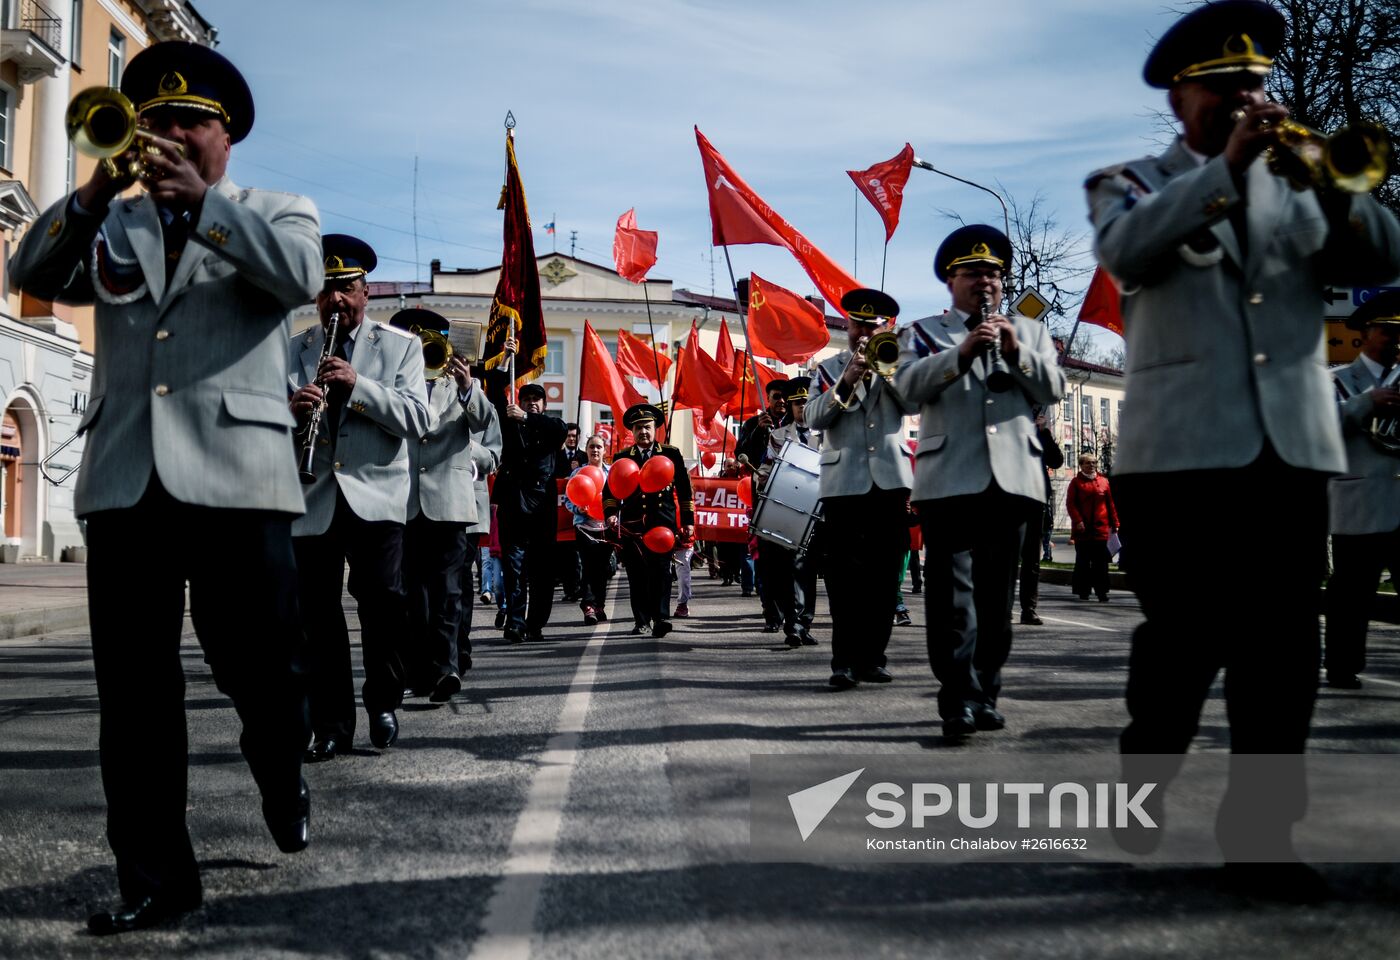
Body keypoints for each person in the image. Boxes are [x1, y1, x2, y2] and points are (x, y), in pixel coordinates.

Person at [1086, 0, 1400, 896]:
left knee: (1280, 652)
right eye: (1224, 88)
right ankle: (1145, 775)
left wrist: (1344, 186)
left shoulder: (1304, 183)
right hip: (1178, 458)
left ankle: (1261, 837)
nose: (1244, 100)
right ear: (1183, 96)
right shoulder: (1133, 182)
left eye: (1255, 86)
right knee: (1183, 640)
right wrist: (1225, 169)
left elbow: (1382, 255)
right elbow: (1130, 255)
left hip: (1289, 453)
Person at [8, 41, 321, 933]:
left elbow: (298, 278)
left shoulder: (275, 212)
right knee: (135, 694)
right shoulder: (113, 222)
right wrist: (97, 191)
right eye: (157, 121)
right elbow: (29, 274)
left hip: (239, 481)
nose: (173, 135)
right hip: (127, 481)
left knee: (262, 667)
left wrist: (208, 209)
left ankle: (280, 765)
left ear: (227, 138)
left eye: (192, 121)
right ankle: (154, 880)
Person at [894, 226, 1065, 735]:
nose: (985, 282)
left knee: (996, 600)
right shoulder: (922, 334)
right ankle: (957, 698)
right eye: (973, 273)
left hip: (1012, 481)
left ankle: (987, 690)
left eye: (993, 273)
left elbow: (1053, 389)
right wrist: (963, 352)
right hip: (949, 481)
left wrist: (1017, 352)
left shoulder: (1030, 331)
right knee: (951, 600)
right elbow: (905, 389)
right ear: (951, 280)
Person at [289, 236, 431, 761]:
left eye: (345, 289)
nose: (336, 301)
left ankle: (384, 701)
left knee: (385, 606)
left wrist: (358, 386)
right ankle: (331, 724)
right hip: (312, 497)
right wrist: (290, 411)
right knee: (316, 618)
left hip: (376, 498)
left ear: (366, 292)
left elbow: (420, 419)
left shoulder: (402, 348)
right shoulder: (294, 347)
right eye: (326, 292)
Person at [807, 289, 916, 689]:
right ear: (847, 327)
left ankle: (874, 657)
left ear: (885, 328)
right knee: (844, 579)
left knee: (886, 577)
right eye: (858, 326)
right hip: (843, 486)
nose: (863, 334)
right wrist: (845, 381)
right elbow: (814, 418)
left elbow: (912, 402)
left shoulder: (898, 364)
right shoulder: (827, 368)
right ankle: (844, 662)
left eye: (872, 327)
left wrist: (885, 370)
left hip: (889, 483)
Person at [396, 308, 499, 703]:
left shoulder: (458, 386)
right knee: (411, 597)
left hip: (451, 503)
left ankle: (446, 668)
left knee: (448, 593)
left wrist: (469, 387)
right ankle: (418, 673)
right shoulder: (395, 383)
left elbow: (485, 426)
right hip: (404, 502)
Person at [1324, 291, 1400, 688]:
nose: (1395, 340)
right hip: (1360, 501)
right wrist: (1366, 403)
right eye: (1388, 331)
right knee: (1352, 593)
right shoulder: (1336, 380)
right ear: (1366, 333)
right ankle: (1342, 665)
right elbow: (1320, 430)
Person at [604, 404, 694, 636]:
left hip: (663, 525)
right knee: (637, 575)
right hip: (634, 527)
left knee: (662, 573)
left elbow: (685, 490)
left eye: (647, 427)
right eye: (638, 428)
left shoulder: (671, 454)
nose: (643, 431)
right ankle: (641, 621)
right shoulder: (622, 457)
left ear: (655, 429)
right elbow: (609, 491)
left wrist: (688, 520)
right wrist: (611, 514)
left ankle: (661, 617)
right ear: (632, 432)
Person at [492, 368, 567, 643]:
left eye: (537, 399)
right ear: (518, 401)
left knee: (542, 574)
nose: (532, 402)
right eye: (526, 399)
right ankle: (515, 623)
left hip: (541, 512)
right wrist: (503, 368)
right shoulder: (508, 425)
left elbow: (558, 431)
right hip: (513, 509)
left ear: (544, 405)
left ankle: (535, 623)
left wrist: (526, 418)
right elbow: (494, 402)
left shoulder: (552, 427)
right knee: (513, 570)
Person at [759, 376, 821, 646]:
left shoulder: (827, 437)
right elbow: (764, 469)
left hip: (820, 514)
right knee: (791, 567)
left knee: (810, 569)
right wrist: (759, 478)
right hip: (790, 511)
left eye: (805, 403)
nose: (800, 409)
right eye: (796, 404)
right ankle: (793, 624)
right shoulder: (778, 436)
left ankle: (804, 622)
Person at [458, 398, 503, 673]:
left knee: (459, 582)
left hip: (466, 508)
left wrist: (462, 445)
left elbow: (493, 458)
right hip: (420, 506)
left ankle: (459, 648)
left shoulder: (482, 404)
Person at [1019, 413, 1065, 624]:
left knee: (1032, 559)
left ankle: (1029, 608)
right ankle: (999, 605)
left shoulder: (1040, 435)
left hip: (1035, 498)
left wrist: (1044, 432)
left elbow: (1056, 461)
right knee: (1005, 555)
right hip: (1006, 497)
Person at [567, 434, 612, 624]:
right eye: (592, 446)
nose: (595, 450)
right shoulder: (578, 473)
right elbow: (569, 499)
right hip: (585, 527)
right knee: (588, 566)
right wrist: (578, 507)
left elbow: (619, 497)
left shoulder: (611, 472)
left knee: (603, 568)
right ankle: (588, 606)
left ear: (605, 450)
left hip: (606, 528)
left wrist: (614, 514)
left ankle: (599, 604)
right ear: (586, 449)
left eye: (599, 447)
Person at [1065, 452, 1118, 602]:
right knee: (1083, 561)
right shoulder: (1076, 482)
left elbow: (1110, 504)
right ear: (1081, 465)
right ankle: (1083, 591)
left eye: (1094, 462)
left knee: (1101, 562)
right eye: (1088, 463)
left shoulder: (1104, 481)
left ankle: (1102, 592)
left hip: (1101, 528)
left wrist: (1115, 523)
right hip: (1083, 529)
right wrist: (1078, 520)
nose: (1092, 465)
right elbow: (1071, 504)